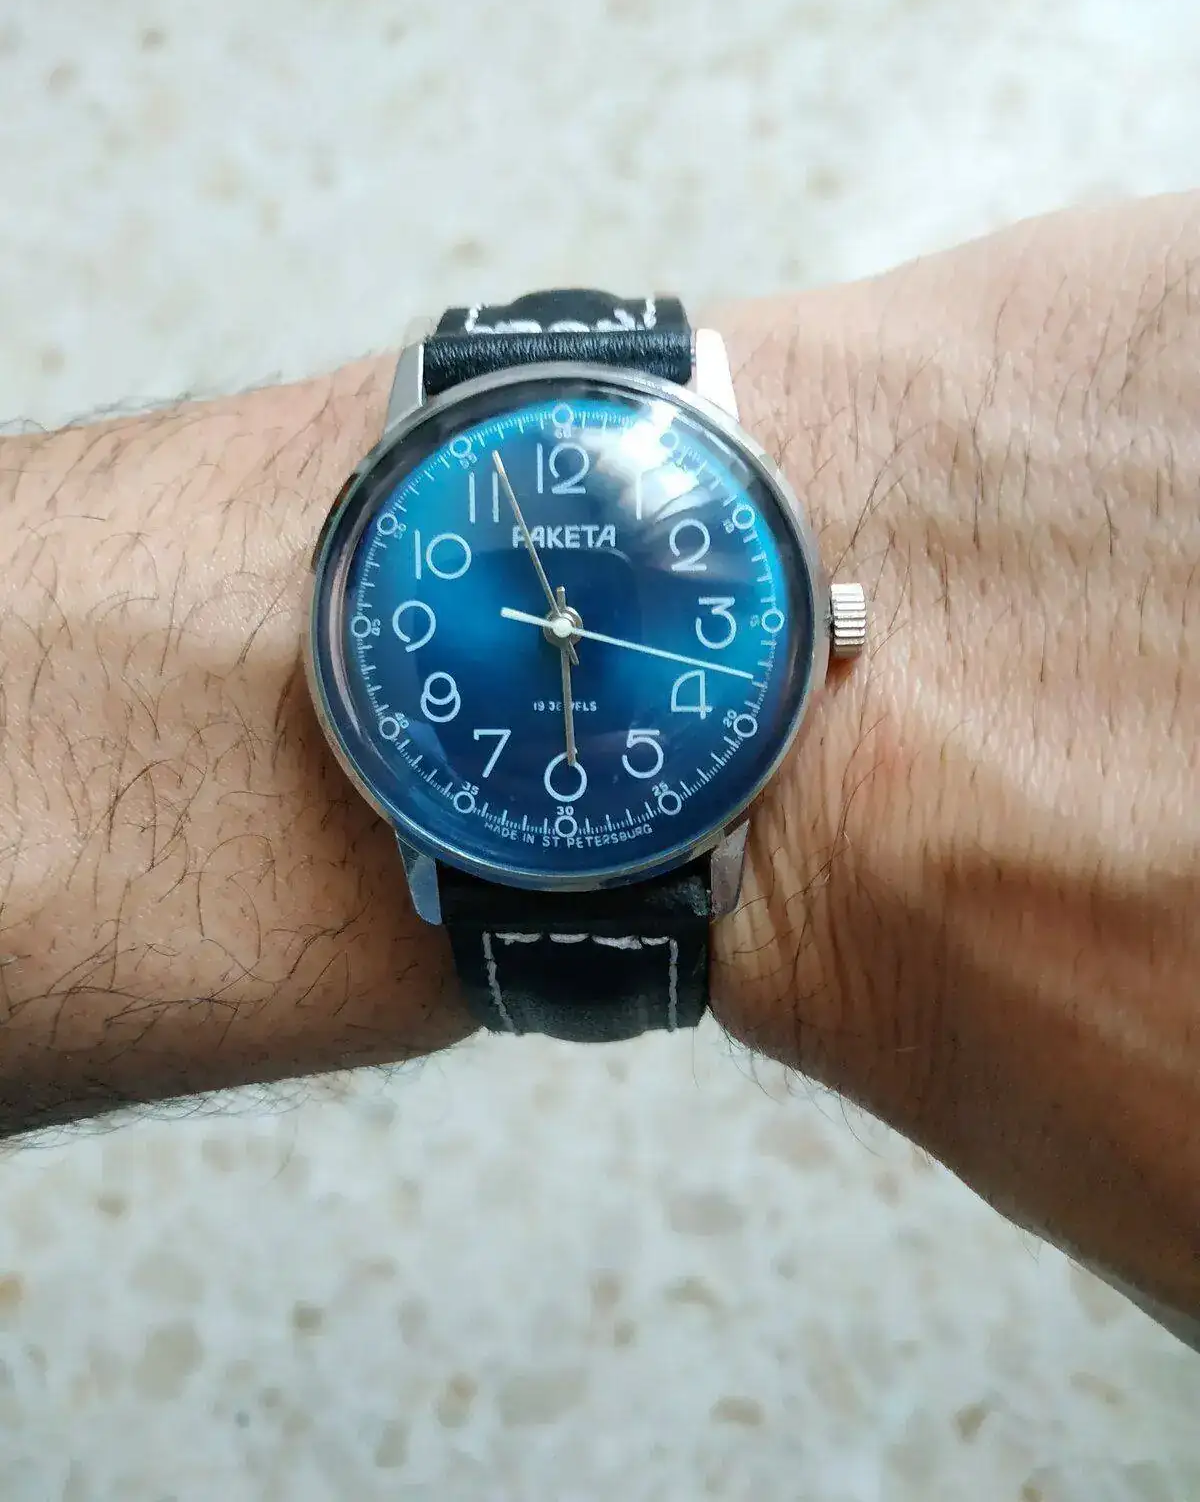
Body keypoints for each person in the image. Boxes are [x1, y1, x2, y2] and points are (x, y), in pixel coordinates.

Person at [0, 195, 1195, 1343]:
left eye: (570, 622)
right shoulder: (398, 606)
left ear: (830, 622)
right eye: (557, 619)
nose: (565, 627)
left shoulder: (694, 583)